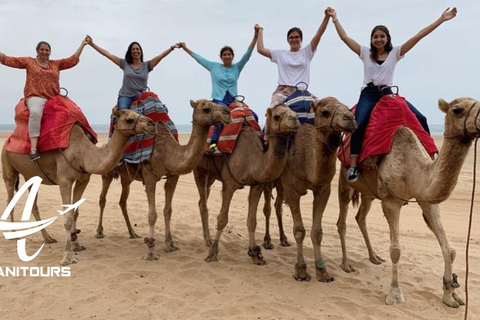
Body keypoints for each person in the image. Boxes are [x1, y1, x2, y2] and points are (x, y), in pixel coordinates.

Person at [327, 7, 457, 182]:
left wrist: (441, 19)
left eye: (382, 36)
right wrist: (335, 18)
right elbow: (344, 38)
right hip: (369, 94)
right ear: (371, 40)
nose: (378, 39)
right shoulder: (365, 53)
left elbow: (418, 36)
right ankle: (353, 166)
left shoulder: (395, 53)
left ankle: (429, 159)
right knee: (359, 123)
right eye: (375, 36)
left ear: (387, 38)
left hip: (388, 94)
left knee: (422, 118)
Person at [0, 38, 88, 160]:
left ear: (50, 52)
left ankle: (83, 142)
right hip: (36, 96)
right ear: (37, 50)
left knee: (75, 111)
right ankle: (33, 148)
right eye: (42, 49)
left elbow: (72, 60)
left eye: (47, 50)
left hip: (54, 98)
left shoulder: (55, 64)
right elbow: (7, 59)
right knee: (35, 113)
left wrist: (83, 45)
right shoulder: (29, 62)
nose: (44, 52)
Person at [179, 25, 260, 154]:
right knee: (221, 117)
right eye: (225, 54)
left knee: (253, 116)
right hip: (219, 100)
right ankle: (213, 144)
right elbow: (199, 58)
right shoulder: (213, 67)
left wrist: (255, 36)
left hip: (234, 100)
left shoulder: (237, 67)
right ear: (221, 56)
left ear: (232, 56)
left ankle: (257, 142)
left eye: (229, 54)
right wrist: (185, 48)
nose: (227, 56)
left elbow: (248, 54)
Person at [256, 9, 331, 138]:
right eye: (291, 37)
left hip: (302, 91)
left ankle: (321, 141)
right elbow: (260, 49)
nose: (294, 39)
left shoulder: (307, 52)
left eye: (297, 37)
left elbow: (319, 34)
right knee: (272, 110)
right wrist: (260, 31)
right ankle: (266, 138)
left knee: (321, 109)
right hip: (284, 91)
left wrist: (326, 17)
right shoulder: (280, 54)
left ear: (301, 39)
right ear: (287, 40)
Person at [86, 36, 180, 110]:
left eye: (137, 49)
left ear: (141, 52)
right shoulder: (125, 64)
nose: (136, 51)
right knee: (123, 112)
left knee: (159, 109)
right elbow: (107, 54)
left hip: (141, 96)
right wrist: (92, 44)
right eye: (133, 49)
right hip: (126, 96)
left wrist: (172, 48)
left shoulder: (147, 65)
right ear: (130, 52)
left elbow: (160, 56)